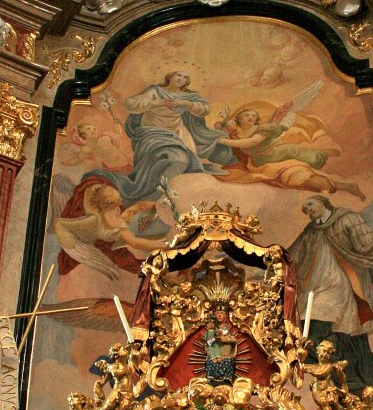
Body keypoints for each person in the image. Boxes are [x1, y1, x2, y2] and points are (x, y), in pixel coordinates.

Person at [289, 195, 373, 391]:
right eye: (305, 208)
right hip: (315, 289)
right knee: (329, 337)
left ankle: (352, 381)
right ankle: (370, 369)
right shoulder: (311, 231)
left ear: (323, 202)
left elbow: (372, 245)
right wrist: (263, 267)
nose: (307, 209)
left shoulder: (347, 219)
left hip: (342, 286)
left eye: (310, 204)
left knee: (315, 332)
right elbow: (290, 257)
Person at [84, 71, 237, 206]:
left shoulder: (187, 96)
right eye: (178, 75)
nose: (181, 79)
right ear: (170, 77)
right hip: (153, 133)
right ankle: (153, 195)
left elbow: (204, 109)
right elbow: (131, 104)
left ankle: (158, 198)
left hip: (178, 134)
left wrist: (182, 103)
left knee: (183, 168)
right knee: (179, 160)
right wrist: (154, 103)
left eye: (185, 77)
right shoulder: (155, 92)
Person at [217, 108, 365, 199]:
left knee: (291, 151)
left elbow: (251, 142)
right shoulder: (237, 134)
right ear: (239, 119)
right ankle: (327, 163)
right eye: (246, 115)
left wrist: (224, 141)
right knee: (295, 173)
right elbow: (223, 129)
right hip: (260, 164)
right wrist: (224, 131)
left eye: (253, 116)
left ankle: (319, 156)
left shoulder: (260, 130)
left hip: (275, 154)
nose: (251, 117)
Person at [54, 183, 166, 280]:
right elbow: (135, 243)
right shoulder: (96, 220)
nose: (121, 200)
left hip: (116, 236)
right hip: (91, 242)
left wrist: (156, 205)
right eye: (118, 198)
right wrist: (167, 246)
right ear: (110, 203)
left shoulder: (114, 210)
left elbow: (134, 209)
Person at [301, 340, 349, 410]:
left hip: (327, 391)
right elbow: (301, 366)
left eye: (328, 353)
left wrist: (310, 370)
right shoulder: (314, 366)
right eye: (324, 351)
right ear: (318, 351)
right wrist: (303, 351)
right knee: (324, 403)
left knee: (336, 406)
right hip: (318, 392)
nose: (325, 354)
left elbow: (321, 373)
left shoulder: (328, 366)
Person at [60, 123, 131, 172]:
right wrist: (69, 163)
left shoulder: (105, 137)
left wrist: (117, 126)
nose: (92, 130)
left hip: (126, 162)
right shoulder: (87, 149)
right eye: (88, 129)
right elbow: (79, 159)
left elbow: (117, 135)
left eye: (94, 129)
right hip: (113, 168)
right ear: (82, 134)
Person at [204, 303, 238, 385]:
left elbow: (234, 340)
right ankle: (212, 378)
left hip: (226, 354)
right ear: (214, 316)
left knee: (228, 361)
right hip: (214, 354)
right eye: (218, 313)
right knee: (210, 361)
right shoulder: (211, 329)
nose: (219, 315)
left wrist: (224, 339)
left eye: (222, 313)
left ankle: (227, 378)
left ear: (225, 316)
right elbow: (207, 343)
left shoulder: (227, 329)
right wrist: (211, 344)